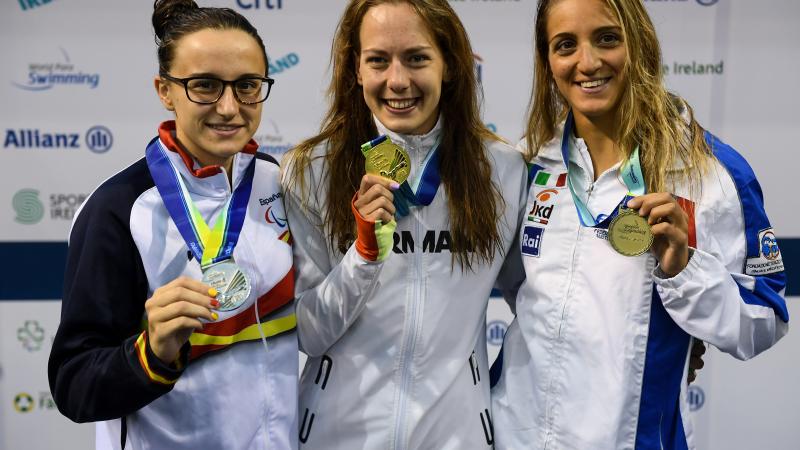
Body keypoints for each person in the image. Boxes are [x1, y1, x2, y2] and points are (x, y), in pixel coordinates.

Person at [490, 0, 789, 449]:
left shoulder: (712, 173)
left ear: (640, 41)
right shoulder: (530, 163)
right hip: (512, 433)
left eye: (607, 38)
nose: (587, 62)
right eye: (565, 45)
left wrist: (684, 271)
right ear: (547, 60)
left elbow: (765, 318)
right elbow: (522, 289)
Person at [47, 1, 298, 448]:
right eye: (204, 86)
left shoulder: (277, 181)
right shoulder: (118, 208)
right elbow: (73, 385)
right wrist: (153, 352)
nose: (228, 107)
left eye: (246, 86)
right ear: (165, 90)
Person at [281, 0, 528, 448]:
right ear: (356, 69)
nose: (397, 81)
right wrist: (363, 256)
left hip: (456, 438)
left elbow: (538, 303)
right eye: (378, 60)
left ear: (450, 65)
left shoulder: (503, 170)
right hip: (338, 438)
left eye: (416, 58)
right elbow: (309, 334)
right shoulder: (310, 169)